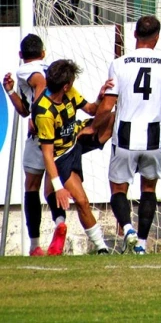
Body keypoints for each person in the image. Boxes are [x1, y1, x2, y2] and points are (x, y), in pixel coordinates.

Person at [92, 15, 161, 255]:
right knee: (148, 189)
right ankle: (142, 244)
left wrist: (93, 127)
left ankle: (128, 229)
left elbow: (107, 105)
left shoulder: (120, 63)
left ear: (135, 34)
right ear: (157, 37)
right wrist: (159, 107)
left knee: (117, 189)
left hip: (125, 134)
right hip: (155, 136)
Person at [32, 59, 113, 255]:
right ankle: (101, 247)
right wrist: (59, 186)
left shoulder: (69, 93)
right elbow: (48, 154)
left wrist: (100, 97)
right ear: (66, 85)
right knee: (81, 200)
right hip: (61, 156)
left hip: (76, 139)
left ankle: (59, 220)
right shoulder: (44, 112)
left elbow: (92, 109)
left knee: (110, 117)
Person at [2, 34, 65, 256]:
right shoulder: (52, 66)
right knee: (52, 185)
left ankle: (34, 244)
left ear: (21, 55)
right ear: (43, 52)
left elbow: (40, 82)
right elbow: (23, 110)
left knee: (32, 186)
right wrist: (10, 91)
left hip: (41, 132)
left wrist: (37, 114)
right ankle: (59, 223)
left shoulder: (25, 69)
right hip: (61, 133)